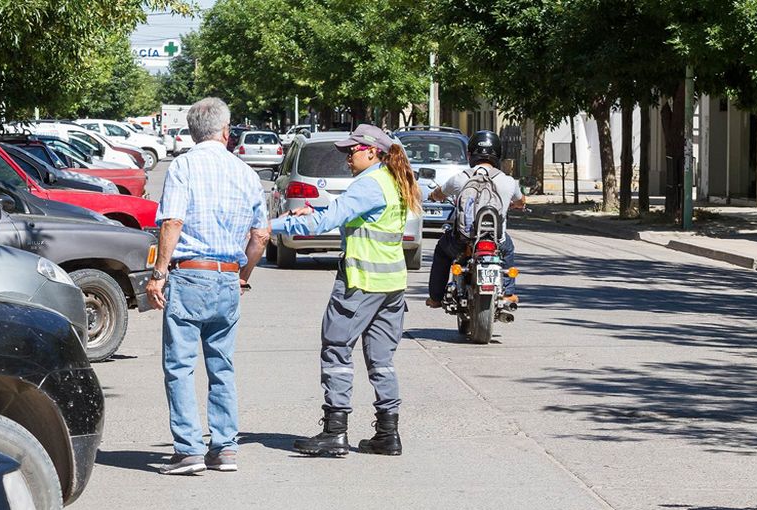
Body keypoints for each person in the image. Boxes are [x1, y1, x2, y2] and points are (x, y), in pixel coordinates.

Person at [270, 123, 421, 457]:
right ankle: (387, 433)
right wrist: (319, 209)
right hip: (391, 286)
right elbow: (352, 215)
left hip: (360, 283)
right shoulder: (392, 180)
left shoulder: (368, 184)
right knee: (381, 359)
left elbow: (324, 223)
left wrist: (269, 226)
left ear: (372, 151)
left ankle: (335, 431)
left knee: (336, 349)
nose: (347, 157)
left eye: (351, 150)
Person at [147, 97, 271, 475]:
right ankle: (225, 448)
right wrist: (242, 275)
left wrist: (159, 273)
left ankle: (188, 450)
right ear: (226, 132)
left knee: (180, 365)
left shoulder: (184, 165)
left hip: (190, 273)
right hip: (226, 276)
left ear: (191, 132)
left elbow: (172, 223)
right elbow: (261, 235)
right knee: (222, 365)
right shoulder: (246, 173)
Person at [424, 130, 526, 309]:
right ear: (498, 155)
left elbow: (439, 194)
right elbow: (521, 201)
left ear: (470, 154)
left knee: (442, 251)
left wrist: (433, 196)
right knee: (508, 248)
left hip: (463, 239)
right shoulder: (508, 181)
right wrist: (517, 205)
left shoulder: (460, 178)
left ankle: (436, 297)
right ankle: (508, 293)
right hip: (495, 240)